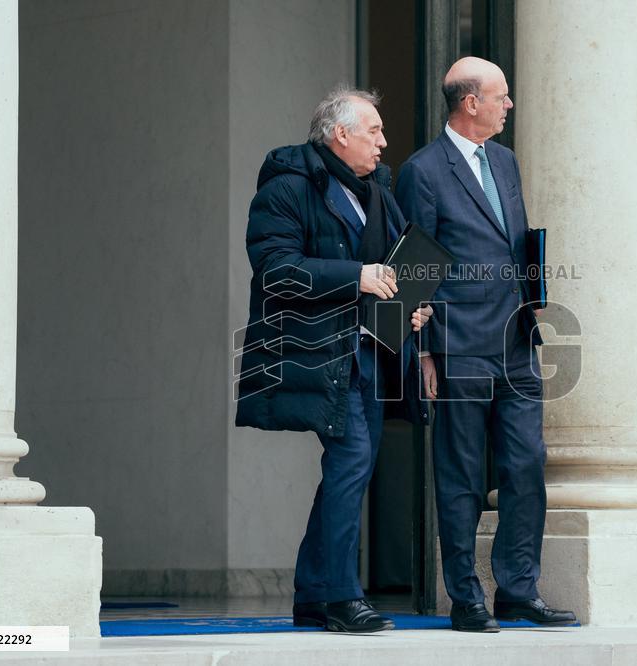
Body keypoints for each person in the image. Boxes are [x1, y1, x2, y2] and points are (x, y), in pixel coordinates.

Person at [235, 87, 431, 633]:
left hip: (369, 351)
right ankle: (343, 597)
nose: (384, 142)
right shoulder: (287, 188)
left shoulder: (376, 191)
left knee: (353, 468)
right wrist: (356, 277)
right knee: (350, 465)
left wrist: (411, 308)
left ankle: (313, 593)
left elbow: (394, 266)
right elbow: (275, 269)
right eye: (374, 131)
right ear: (340, 134)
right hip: (316, 349)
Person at [394, 57, 575, 632]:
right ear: (469, 102)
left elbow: (514, 241)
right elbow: (416, 267)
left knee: (526, 466)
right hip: (457, 345)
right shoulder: (422, 171)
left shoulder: (505, 161)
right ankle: (466, 597)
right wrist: (421, 352)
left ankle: (518, 589)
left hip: (516, 338)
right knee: (463, 474)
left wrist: (535, 287)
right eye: (501, 96)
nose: (509, 104)